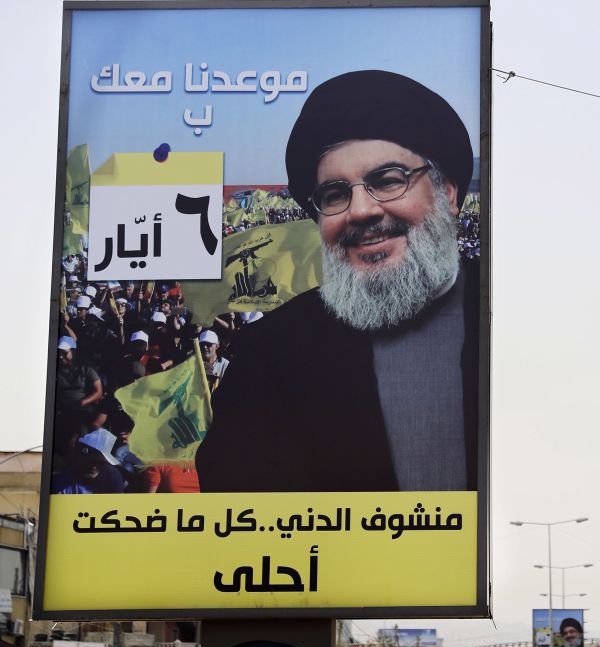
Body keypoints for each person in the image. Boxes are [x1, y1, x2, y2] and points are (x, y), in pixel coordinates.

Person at [196, 70, 478, 492]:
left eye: (387, 180)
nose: (360, 211)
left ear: (449, 194)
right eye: (334, 194)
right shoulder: (271, 355)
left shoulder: (515, 321)